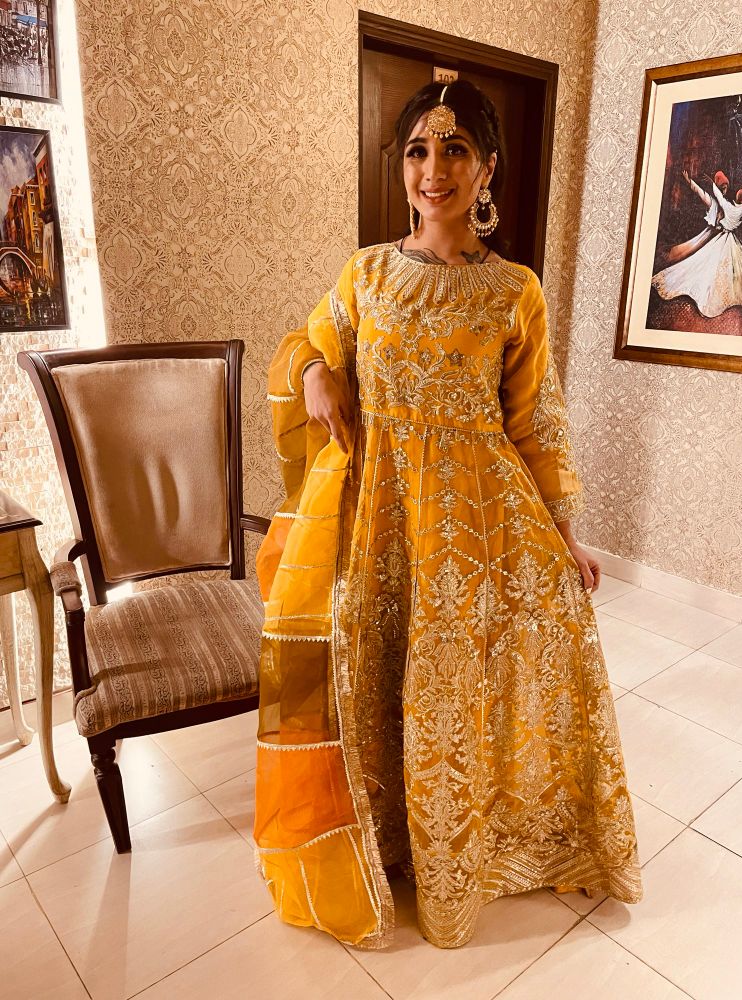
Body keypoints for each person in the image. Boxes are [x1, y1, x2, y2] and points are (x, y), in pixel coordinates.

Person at [254, 79, 643, 950]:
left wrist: (566, 534)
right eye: (419, 152)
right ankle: (385, 840)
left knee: (471, 680)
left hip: (481, 516)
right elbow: (311, 339)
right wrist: (315, 369)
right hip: (380, 511)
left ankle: (485, 844)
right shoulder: (365, 273)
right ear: (402, 167)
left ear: (488, 169)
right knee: (371, 662)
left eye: (456, 150)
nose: (436, 170)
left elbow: (535, 419)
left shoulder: (516, 291)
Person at [652, 168, 742, 317]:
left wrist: (711, 185)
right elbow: (701, 193)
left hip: (724, 241)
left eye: (725, 187)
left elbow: (725, 199)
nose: (724, 189)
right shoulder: (720, 205)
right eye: (721, 187)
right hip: (715, 240)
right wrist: (690, 182)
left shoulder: (730, 206)